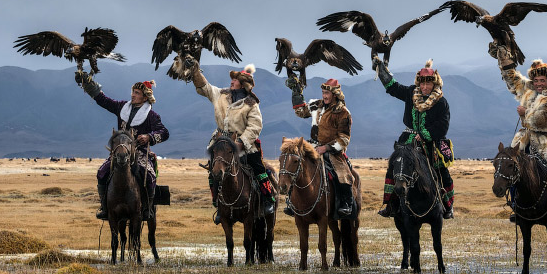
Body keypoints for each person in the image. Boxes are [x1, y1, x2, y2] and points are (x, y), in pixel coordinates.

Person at [490, 43, 547, 222]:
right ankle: (516, 206)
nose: (539, 84)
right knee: (511, 168)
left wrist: (526, 114)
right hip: (524, 141)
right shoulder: (529, 90)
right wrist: (504, 60)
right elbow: (514, 80)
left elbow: (542, 122)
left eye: (543, 80)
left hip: (546, 142)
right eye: (536, 81)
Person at [76, 73, 169, 220]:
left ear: (145, 97)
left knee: (150, 176)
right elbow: (103, 100)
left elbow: (164, 132)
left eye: (137, 93)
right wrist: (88, 84)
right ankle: (105, 208)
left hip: (140, 153)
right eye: (132, 92)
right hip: (119, 152)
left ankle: (147, 209)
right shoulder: (121, 107)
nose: (132, 95)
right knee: (101, 172)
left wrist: (148, 137)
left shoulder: (152, 116)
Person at [190, 62, 275, 221]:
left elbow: (255, 126)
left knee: (258, 168)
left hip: (244, 144)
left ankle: (267, 200)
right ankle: (218, 204)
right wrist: (195, 72)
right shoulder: (221, 94)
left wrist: (241, 142)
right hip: (221, 143)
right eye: (233, 79)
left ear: (243, 85)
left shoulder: (251, 104)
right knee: (213, 171)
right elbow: (205, 87)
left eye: (235, 80)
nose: (232, 81)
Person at [374, 58, 454, 220]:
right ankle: (391, 205)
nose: (424, 87)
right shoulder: (411, 93)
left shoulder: (441, 102)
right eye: (422, 84)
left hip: (432, 143)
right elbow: (394, 88)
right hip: (407, 139)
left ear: (435, 85)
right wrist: (380, 70)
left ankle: (448, 206)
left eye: (428, 84)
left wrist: (424, 134)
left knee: (441, 172)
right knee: (395, 167)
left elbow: (443, 126)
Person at [287, 77, 357, 219]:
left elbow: (344, 139)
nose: (324, 95)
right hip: (312, 146)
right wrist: (296, 92)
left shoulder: (343, 112)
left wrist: (326, 148)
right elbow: (300, 111)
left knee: (342, 174)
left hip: (333, 151)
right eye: (323, 92)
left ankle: (346, 204)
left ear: (335, 94)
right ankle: (292, 202)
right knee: (295, 165)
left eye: (327, 93)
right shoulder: (315, 105)